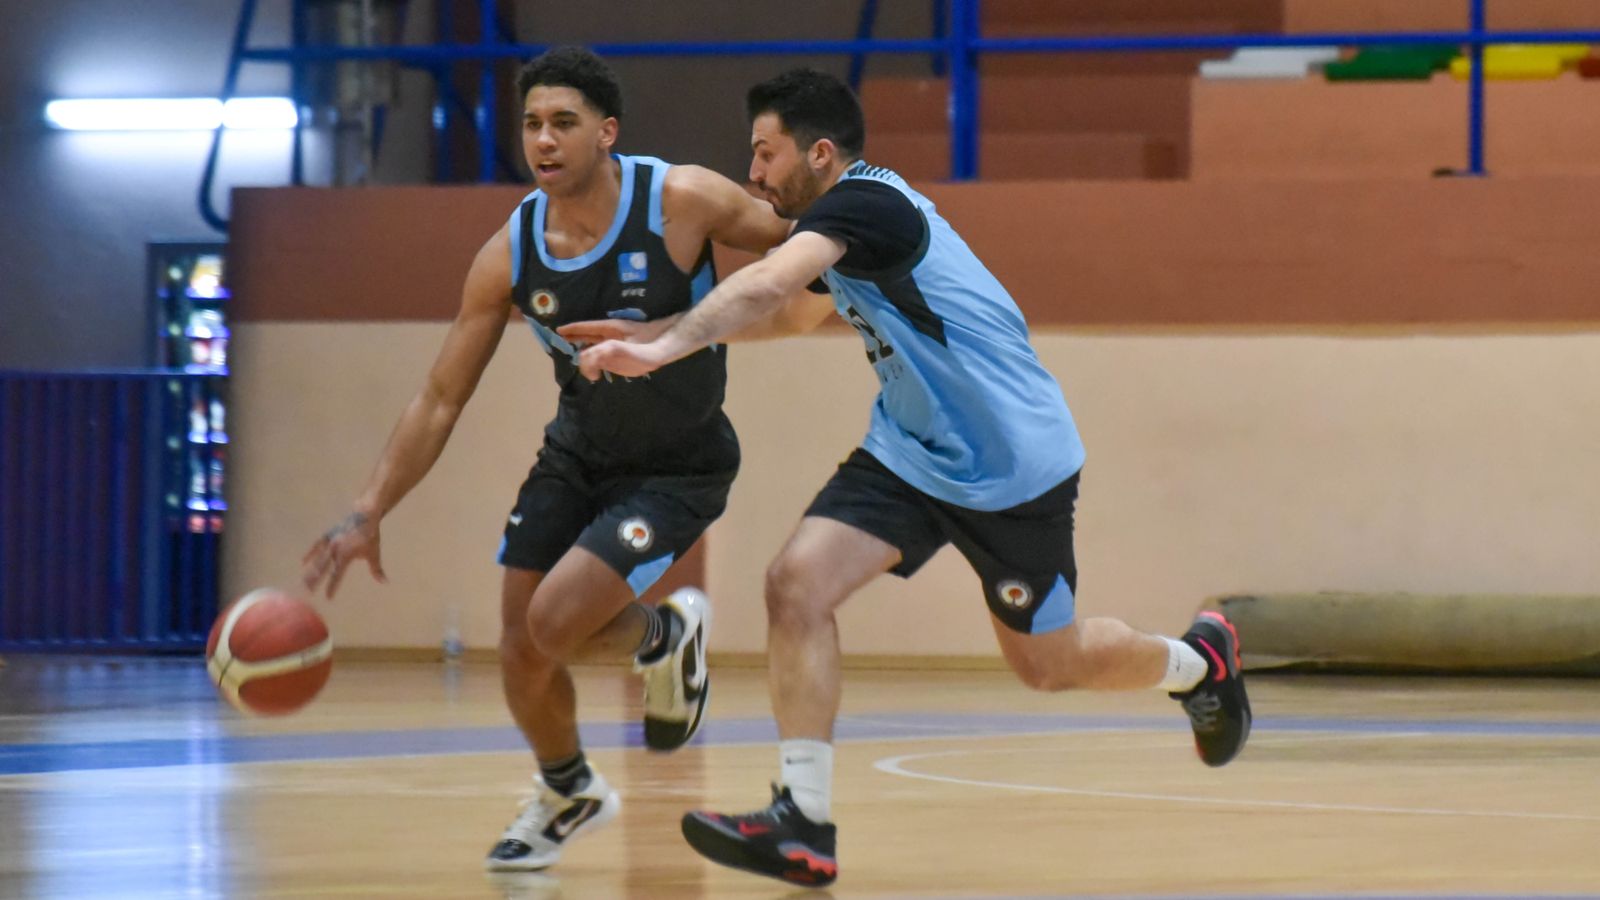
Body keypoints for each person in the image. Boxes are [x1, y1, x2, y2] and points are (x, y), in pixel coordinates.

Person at [576, 68, 1252, 888]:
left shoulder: (868, 204)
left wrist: (660, 349)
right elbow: (791, 316)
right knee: (796, 584)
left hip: (1010, 465)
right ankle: (804, 822)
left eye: (765, 153)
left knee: (1048, 664)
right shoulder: (845, 225)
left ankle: (1198, 663)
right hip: (909, 451)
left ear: (820, 154)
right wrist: (653, 327)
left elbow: (768, 284)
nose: (753, 174)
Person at [298, 47, 814, 873]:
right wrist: (368, 510)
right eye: (533, 124)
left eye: (564, 123)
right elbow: (439, 397)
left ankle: (664, 632)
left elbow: (806, 248)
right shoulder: (509, 254)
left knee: (553, 622)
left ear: (606, 133)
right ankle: (568, 787)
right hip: (577, 453)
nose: (544, 139)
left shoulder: (680, 199)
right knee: (518, 642)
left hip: (680, 464)